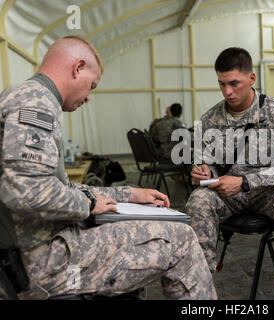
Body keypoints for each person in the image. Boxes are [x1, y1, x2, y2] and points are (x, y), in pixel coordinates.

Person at [0, 36, 216, 300]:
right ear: (77, 67)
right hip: (42, 266)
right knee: (181, 239)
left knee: (141, 231)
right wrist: (89, 204)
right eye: (91, 85)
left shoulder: (23, 96)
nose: (89, 97)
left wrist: (128, 194)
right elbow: (27, 191)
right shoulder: (35, 101)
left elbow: (56, 188)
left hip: (33, 254)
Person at [185, 47, 274, 300]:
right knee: (198, 200)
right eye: (222, 84)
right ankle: (202, 287)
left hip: (268, 193)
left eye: (234, 83)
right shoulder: (211, 118)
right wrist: (203, 172)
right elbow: (206, 163)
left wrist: (245, 182)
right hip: (228, 195)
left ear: (251, 79)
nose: (228, 92)